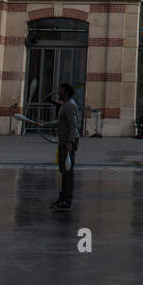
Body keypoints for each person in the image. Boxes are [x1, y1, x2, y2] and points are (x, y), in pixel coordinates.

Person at [51, 82, 80, 211]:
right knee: (64, 170)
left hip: (67, 142)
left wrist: (70, 142)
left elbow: (73, 126)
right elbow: (60, 122)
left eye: (61, 90)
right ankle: (62, 198)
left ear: (67, 92)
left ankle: (67, 200)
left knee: (68, 172)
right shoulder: (66, 105)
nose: (59, 92)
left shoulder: (69, 106)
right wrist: (44, 124)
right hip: (64, 141)